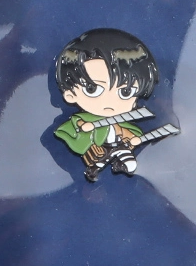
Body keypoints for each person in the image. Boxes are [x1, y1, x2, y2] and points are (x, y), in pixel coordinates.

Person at [54, 28, 159, 182]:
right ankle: (94, 169)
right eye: (92, 89)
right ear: (70, 94)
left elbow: (126, 132)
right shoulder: (82, 120)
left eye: (125, 92)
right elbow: (76, 127)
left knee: (130, 164)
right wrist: (85, 127)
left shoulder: (120, 121)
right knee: (98, 162)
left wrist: (133, 138)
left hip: (118, 147)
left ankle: (119, 165)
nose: (110, 102)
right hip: (100, 151)